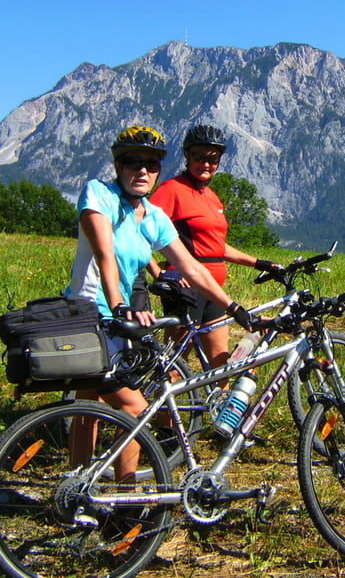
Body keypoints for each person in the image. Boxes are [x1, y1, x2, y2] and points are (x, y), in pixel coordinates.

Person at [65, 125, 255, 477]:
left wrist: (234, 309)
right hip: (91, 314)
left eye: (151, 165)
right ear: (117, 165)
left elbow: (193, 268)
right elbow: (105, 254)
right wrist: (120, 304)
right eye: (132, 162)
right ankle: (122, 498)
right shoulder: (99, 194)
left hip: (120, 321)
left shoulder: (152, 215)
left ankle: (74, 489)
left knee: (87, 403)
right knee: (135, 410)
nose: (142, 171)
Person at [150, 124, 281, 371]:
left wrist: (260, 263)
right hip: (187, 290)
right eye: (199, 157)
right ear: (187, 156)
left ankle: (216, 408)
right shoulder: (171, 190)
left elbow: (217, 247)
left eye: (213, 158)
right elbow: (143, 234)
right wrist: (160, 273)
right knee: (173, 368)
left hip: (214, 290)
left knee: (222, 364)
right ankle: (162, 409)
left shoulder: (210, 196)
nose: (206, 164)